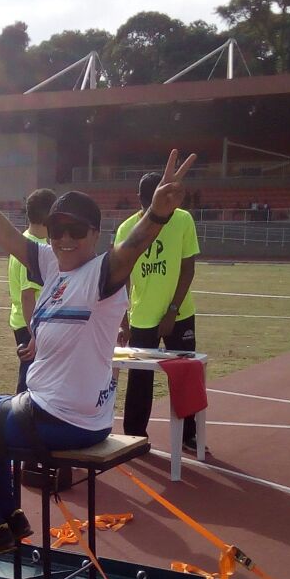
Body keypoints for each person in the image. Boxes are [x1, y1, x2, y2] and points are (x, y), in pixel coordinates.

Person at [0, 140, 197, 556]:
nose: (66, 239)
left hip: (64, 417)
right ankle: (9, 519)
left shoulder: (101, 275)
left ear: (95, 234)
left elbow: (133, 247)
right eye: (58, 232)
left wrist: (157, 214)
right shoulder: (52, 265)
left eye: (77, 231)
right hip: (55, 406)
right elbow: (1, 229)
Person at [116, 171, 201, 446]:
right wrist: (123, 319)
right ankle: (134, 436)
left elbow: (188, 267)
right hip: (142, 317)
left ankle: (189, 435)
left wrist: (173, 310)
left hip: (180, 314)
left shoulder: (183, 220)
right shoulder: (127, 228)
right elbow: (122, 275)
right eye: (147, 206)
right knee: (140, 380)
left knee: (186, 377)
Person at [7, 188, 55, 392]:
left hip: (27, 322)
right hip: (29, 325)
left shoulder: (28, 240)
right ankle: (20, 421)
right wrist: (34, 334)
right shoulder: (33, 248)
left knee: (35, 377)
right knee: (29, 381)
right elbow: (28, 296)